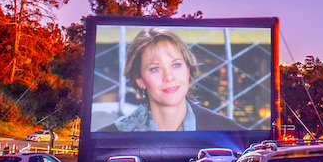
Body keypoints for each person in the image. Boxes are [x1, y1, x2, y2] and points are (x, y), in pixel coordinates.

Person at [100, 29, 240, 131]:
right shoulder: (110, 135)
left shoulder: (229, 131)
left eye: (176, 65)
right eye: (155, 68)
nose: (169, 77)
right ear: (139, 79)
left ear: (188, 70)